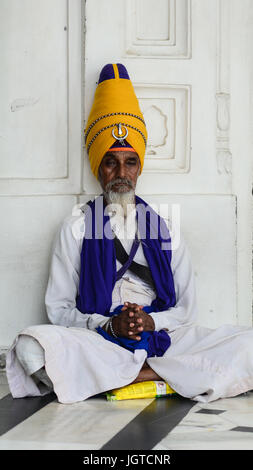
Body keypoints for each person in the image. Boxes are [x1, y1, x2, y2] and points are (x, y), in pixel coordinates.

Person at [6, 63, 253, 404]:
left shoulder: (164, 225)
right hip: (101, 339)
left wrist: (148, 322)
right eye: (111, 162)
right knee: (30, 347)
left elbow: (185, 309)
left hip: (161, 337)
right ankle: (167, 374)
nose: (121, 173)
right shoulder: (76, 226)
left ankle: (129, 376)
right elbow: (59, 309)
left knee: (248, 343)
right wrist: (110, 326)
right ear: (98, 167)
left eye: (130, 162)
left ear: (139, 167)